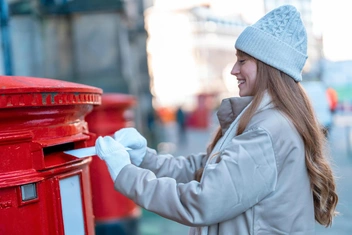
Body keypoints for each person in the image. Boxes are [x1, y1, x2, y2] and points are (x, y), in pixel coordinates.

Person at [95, 5, 338, 235]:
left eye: (242, 61)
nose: (234, 70)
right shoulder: (263, 122)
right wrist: (144, 158)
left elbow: (204, 201)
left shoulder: (268, 131)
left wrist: (125, 173)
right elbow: (203, 170)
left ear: (268, 66)